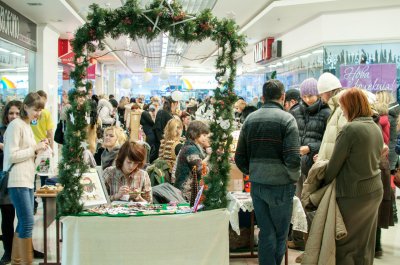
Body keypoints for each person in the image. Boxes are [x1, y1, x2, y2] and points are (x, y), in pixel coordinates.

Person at [235, 79, 300, 265]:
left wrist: (253, 171)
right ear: (283, 96)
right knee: (280, 234)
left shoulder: (250, 119)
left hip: (258, 184)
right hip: (281, 186)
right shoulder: (287, 120)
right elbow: (293, 158)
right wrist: (291, 177)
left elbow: (239, 156)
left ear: (263, 97)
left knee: (265, 231)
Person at [323, 87, 383, 264]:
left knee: (345, 244)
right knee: (365, 244)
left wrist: (322, 177)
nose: (342, 111)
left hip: (352, 194)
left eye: (343, 107)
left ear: (352, 106)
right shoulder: (374, 127)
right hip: (374, 191)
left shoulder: (350, 130)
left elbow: (333, 167)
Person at [288, 78, 331, 262]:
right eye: (304, 96)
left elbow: (330, 140)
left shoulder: (327, 112)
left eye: (311, 95)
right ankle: (298, 239)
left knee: (311, 203)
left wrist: (310, 148)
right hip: (296, 163)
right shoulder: (295, 111)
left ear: (319, 94)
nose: (307, 99)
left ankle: (313, 242)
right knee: (297, 201)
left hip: (315, 166)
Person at [3, 92, 49, 264]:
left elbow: (27, 155)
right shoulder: (16, 125)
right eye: (35, 109)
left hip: (27, 179)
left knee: (24, 221)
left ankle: (17, 260)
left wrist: (39, 150)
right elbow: (11, 156)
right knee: (28, 221)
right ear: (26, 107)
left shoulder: (27, 126)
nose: (38, 113)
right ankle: (24, 262)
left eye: (40, 111)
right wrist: (34, 148)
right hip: (18, 179)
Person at [0, 100, 21, 264]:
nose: (13, 116)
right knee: (7, 216)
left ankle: (24, 248)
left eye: (17, 113)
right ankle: (8, 250)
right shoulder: (2, 132)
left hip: (22, 178)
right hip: (4, 181)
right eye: (11, 113)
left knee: (24, 217)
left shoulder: (25, 130)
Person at [174, 121, 210, 201]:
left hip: (187, 191)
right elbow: (201, 170)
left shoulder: (192, 147)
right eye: (204, 135)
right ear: (195, 135)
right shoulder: (190, 149)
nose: (206, 138)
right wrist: (210, 156)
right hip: (185, 193)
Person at [316, 72, 346, 161]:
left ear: (329, 92)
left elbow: (343, 141)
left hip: (336, 166)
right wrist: (322, 155)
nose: (321, 99)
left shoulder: (342, 108)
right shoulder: (336, 108)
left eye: (322, 94)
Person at [30, 90, 55, 186]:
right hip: (43, 148)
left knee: (32, 175)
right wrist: (52, 148)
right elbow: (50, 132)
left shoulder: (31, 113)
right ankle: (44, 199)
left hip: (34, 147)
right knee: (44, 176)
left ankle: (34, 199)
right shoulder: (46, 113)